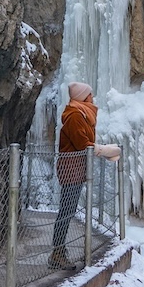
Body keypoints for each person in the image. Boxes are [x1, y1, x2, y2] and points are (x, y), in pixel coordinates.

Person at [49, 81, 97, 270]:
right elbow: (81, 143)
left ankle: (59, 251)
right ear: (83, 97)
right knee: (66, 210)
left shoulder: (79, 113)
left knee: (68, 210)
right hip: (71, 168)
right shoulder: (76, 115)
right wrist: (102, 150)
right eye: (90, 94)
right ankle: (57, 252)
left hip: (75, 167)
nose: (93, 98)